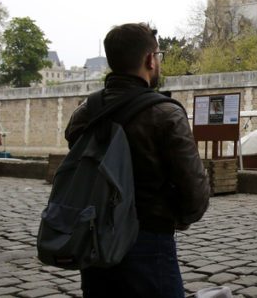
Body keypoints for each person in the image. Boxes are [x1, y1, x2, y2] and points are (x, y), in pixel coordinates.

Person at [64, 23, 209, 297]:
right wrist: (180, 217)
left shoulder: (85, 113)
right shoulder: (166, 113)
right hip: (149, 237)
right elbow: (194, 190)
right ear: (149, 60)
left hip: (95, 237)